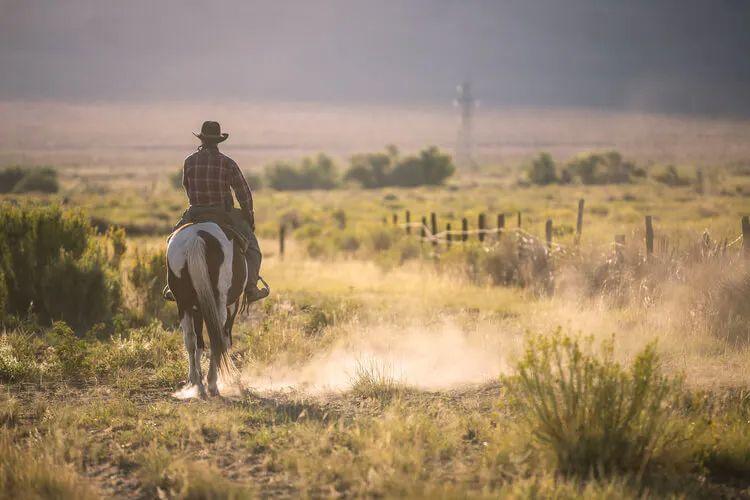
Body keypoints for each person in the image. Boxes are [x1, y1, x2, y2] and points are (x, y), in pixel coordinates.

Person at [163, 120, 266, 302]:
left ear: (202, 139)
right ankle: (251, 287)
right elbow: (244, 193)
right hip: (222, 214)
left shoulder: (189, 162)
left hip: (194, 213)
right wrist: (248, 218)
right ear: (218, 141)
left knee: (172, 241)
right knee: (253, 249)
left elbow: (187, 187)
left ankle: (174, 286)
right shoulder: (227, 163)